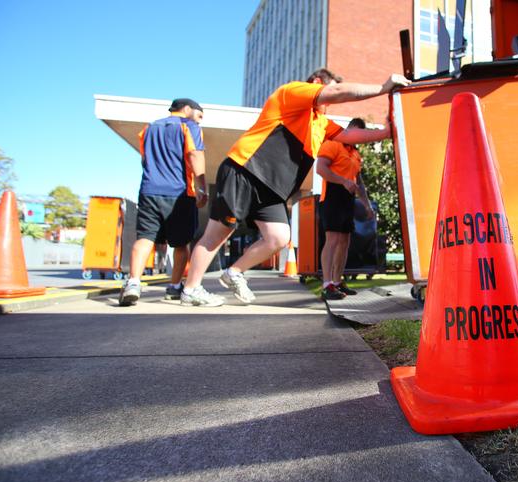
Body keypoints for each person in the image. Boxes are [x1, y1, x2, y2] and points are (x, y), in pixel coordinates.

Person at [180, 68, 410, 306]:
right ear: (318, 83)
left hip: (273, 190)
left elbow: (351, 136)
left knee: (279, 237)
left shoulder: (321, 123)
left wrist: (387, 132)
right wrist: (383, 88)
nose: (328, 102)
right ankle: (191, 289)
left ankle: (234, 272)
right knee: (218, 233)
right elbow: (339, 92)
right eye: (326, 89)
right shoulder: (291, 92)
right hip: (245, 169)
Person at [119, 98, 210, 306]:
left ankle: (133, 283)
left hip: (149, 190)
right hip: (180, 194)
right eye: (199, 115)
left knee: (145, 238)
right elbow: (195, 155)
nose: (200, 121)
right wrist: (202, 188)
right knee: (180, 244)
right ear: (187, 109)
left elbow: (144, 160)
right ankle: (175, 287)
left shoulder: (149, 129)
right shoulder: (190, 127)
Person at [316, 117, 378, 300]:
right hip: (332, 197)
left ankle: (336, 281)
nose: (356, 138)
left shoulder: (355, 154)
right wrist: (343, 181)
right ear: (348, 129)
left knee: (344, 241)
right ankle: (327, 285)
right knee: (333, 240)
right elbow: (320, 168)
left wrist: (366, 205)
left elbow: (359, 182)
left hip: (348, 199)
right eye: (355, 133)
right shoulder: (332, 143)